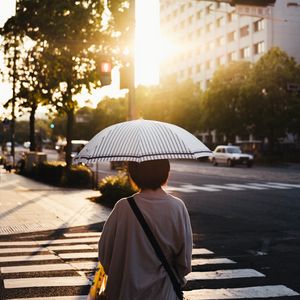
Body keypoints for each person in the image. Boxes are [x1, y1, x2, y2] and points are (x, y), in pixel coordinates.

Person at [98, 159, 193, 300]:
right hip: (164, 293)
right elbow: (184, 261)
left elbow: (105, 253)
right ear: (166, 172)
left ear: (133, 174)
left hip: (126, 292)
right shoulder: (177, 207)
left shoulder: (123, 208)